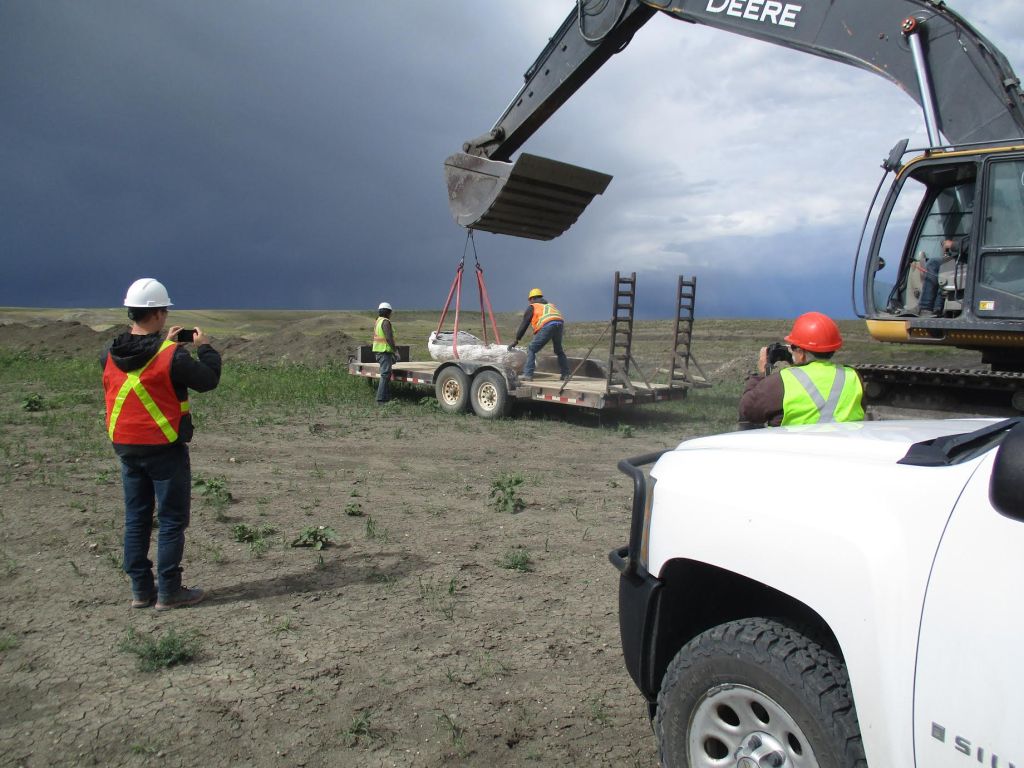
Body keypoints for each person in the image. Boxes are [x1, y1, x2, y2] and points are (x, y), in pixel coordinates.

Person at [101, 278, 221, 611]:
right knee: (170, 521)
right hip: (164, 447)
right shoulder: (170, 357)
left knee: (136, 519)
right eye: (165, 310)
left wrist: (165, 347)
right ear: (156, 314)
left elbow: (140, 364)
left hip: (125, 446)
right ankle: (169, 591)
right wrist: (205, 348)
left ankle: (141, 591)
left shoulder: (108, 353)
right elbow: (208, 381)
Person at [738, 311, 864, 427]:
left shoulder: (782, 381)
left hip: (795, 449)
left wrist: (761, 374)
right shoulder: (853, 376)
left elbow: (747, 411)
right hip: (843, 448)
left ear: (801, 352)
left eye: (792, 347)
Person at [507, 288, 570, 381]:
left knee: (531, 348)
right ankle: (566, 374)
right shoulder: (550, 305)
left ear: (532, 298)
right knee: (559, 350)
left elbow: (524, 324)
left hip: (548, 325)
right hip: (559, 324)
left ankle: (528, 374)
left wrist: (516, 340)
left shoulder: (533, 306)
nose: (529, 302)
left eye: (529, 300)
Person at [372, 301, 399, 403]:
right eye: (390, 312)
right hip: (384, 352)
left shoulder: (378, 321)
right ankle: (381, 399)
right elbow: (389, 338)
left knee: (386, 375)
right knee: (385, 375)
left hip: (379, 351)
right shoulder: (385, 322)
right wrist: (395, 351)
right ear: (388, 312)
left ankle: (386, 398)